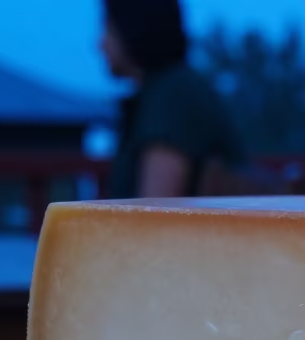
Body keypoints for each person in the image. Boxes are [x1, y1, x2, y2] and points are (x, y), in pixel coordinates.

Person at [101, 0, 246, 198]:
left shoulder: (173, 94)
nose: (101, 44)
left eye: (109, 30)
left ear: (132, 27)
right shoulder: (165, 90)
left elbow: (154, 206)